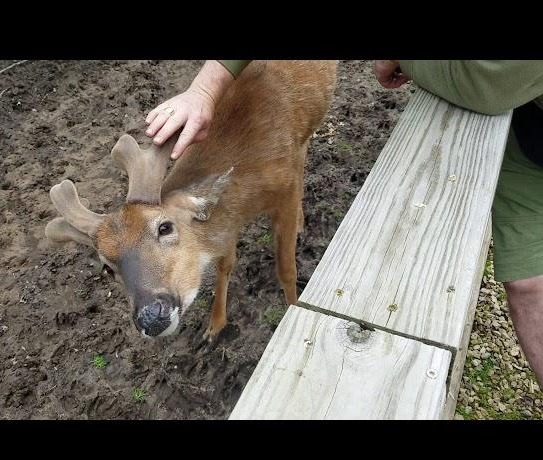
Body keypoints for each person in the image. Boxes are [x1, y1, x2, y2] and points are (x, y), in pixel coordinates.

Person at [146, 60, 543, 386]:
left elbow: (491, 86)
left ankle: (291, 293)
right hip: (525, 130)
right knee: (528, 284)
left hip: (511, 98)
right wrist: (204, 89)